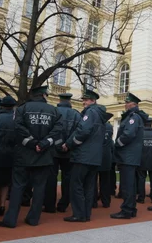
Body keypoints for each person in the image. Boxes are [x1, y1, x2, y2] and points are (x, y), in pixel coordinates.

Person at [0, 85, 63, 228]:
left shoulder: (22, 109)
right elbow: (58, 129)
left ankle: (10, 220)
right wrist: (44, 143)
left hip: (24, 154)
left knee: (18, 187)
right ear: (44, 95)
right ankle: (33, 219)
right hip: (44, 155)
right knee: (39, 188)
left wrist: (32, 142)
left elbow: (18, 127)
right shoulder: (54, 111)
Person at [64, 90, 106, 222]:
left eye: (86, 100)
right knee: (88, 186)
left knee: (76, 184)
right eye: (83, 100)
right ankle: (86, 214)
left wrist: (70, 144)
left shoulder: (90, 112)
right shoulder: (100, 115)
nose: (83, 102)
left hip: (83, 156)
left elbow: (83, 131)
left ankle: (78, 214)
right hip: (94, 158)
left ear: (93, 101)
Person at [111, 92, 147, 219]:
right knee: (130, 185)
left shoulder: (133, 117)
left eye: (127, 102)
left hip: (128, 157)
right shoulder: (132, 116)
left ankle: (126, 210)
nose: (125, 104)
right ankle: (130, 208)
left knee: (127, 185)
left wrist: (117, 144)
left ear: (133, 104)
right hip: (129, 157)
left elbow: (128, 134)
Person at [43, 93, 80, 213]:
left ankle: (49, 205)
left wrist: (58, 143)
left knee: (51, 177)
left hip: (52, 149)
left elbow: (49, 130)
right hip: (69, 151)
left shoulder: (53, 111)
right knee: (67, 178)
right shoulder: (76, 114)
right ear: (70, 101)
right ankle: (63, 204)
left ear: (59, 100)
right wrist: (68, 144)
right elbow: (78, 132)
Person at [136, 117, 152, 204]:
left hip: (141, 160)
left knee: (141, 179)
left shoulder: (139, 134)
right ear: (151, 124)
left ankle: (141, 198)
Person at [94, 111, 114, 208]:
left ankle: (93, 202)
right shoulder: (109, 127)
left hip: (95, 156)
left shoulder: (95, 125)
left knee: (92, 181)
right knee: (105, 181)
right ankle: (106, 202)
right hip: (106, 157)